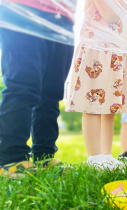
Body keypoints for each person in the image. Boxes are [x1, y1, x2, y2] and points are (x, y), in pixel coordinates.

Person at [0, 0, 75, 178]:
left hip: (63, 19)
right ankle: (11, 158)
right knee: (23, 86)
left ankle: (44, 157)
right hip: (24, 9)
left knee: (52, 94)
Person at [65, 0, 127, 170]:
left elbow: (119, 21)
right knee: (92, 103)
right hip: (96, 49)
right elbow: (109, 14)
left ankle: (106, 156)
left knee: (110, 106)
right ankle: (95, 158)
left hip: (114, 50)